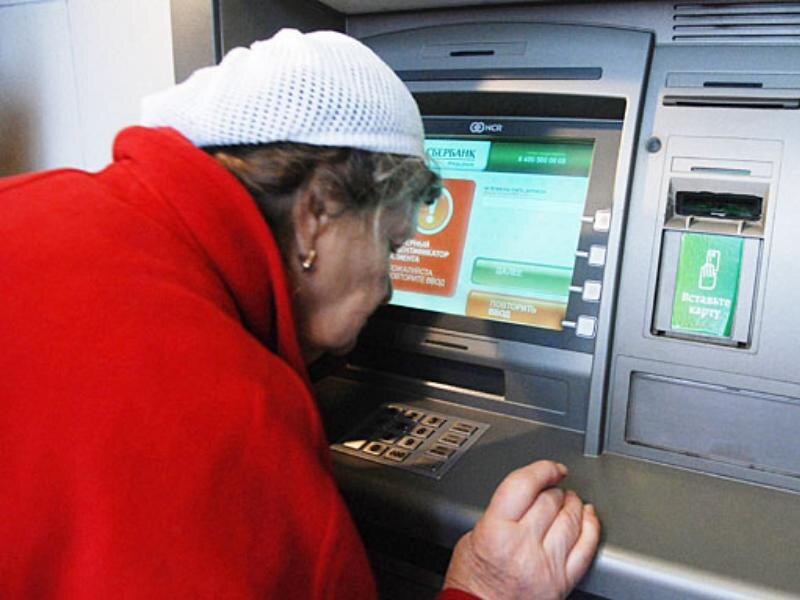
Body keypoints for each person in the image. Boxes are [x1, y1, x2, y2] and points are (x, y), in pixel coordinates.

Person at [0, 29, 599, 598]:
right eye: (391, 244)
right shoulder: (235, 419)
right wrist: (485, 590)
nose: (389, 288)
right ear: (317, 209)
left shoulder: (33, 202)